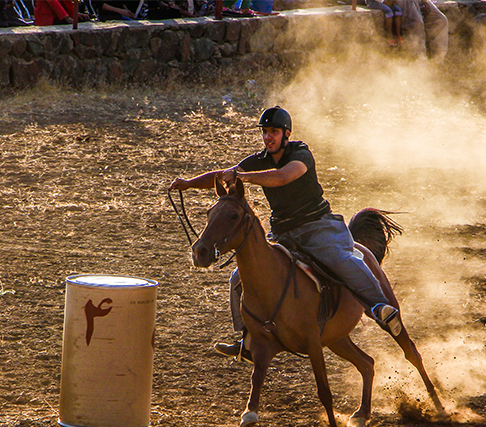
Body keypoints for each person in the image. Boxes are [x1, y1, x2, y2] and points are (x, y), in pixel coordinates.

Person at [169, 107, 404, 361]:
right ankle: (247, 339)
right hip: (284, 233)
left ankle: (380, 307)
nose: (268, 137)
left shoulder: (300, 153)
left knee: (342, 260)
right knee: (239, 277)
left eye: (274, 132)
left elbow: (282, 177)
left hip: (318, 226)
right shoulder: (257, 161)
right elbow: (223, 175)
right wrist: (189, 183)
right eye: (265, 132)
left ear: (286, 134)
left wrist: (243, 177)